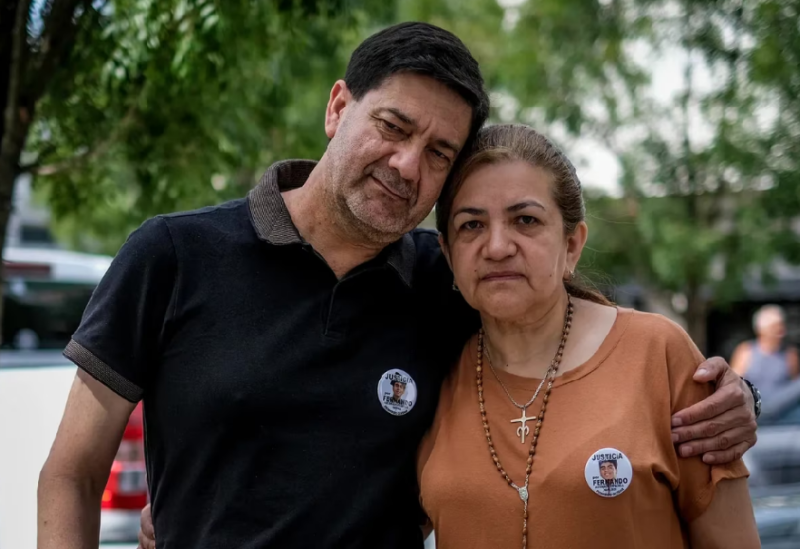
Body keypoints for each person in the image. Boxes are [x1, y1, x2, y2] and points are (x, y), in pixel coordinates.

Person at [37, 23, 758, 549]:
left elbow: (567, 327)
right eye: (392, 126)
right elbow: (71, 474)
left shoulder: (443, 280)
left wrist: (730, 395)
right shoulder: (171, 254)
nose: (408, 164)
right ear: (337, 107)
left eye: (439, 151)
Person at [417, 124, 760, 548]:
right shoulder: (433, 368)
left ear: (573, 244)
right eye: (471, 225)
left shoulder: (657, 354)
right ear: (448, 253)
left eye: (525, 220)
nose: (498, 246)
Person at [732, 304, 799, 399]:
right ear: (761, 329)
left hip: (782, 410)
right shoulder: (746, 351)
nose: (781, 331)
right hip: (753, 409)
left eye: (782, 326)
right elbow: (734, 383)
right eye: (775, 327)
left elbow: (795, 388)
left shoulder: (790, 354)